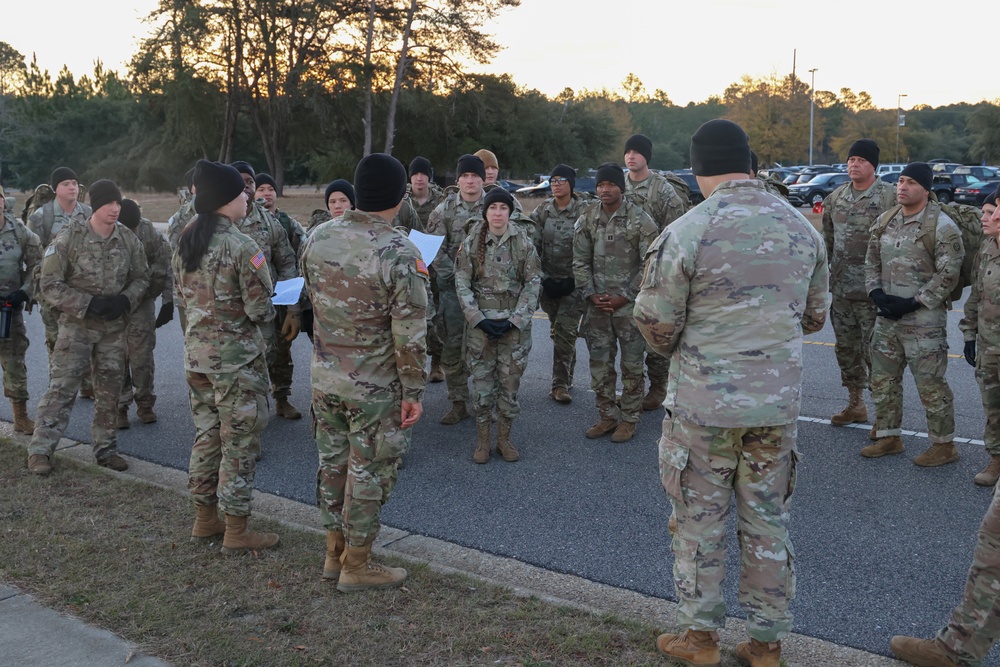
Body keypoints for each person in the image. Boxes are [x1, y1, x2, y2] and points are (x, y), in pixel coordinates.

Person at [635, 119, 828, 667]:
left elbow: (655, 323)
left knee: (699, 521)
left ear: (698, 169)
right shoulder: (801, 228)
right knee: (767, 520)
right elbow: (814, 316)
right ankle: (766, 644)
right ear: (750, 163)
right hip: (775, 405)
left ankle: (699, 641)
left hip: (703, 404)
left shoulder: (688, 230)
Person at [301, 153, 428, 591]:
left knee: (333, 465)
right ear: (400, 194)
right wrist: (414, 390)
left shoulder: (317, 237)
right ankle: (357, 563)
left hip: (325, 378)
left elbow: (313, 304)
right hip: (374, 387)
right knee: (369, 471)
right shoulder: (398, 251)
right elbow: (409, 335)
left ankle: (333, 553)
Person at [173, 160, 278, 553]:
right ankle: (236, 530)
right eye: (241, 193)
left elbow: (183, 298)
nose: (248, 197)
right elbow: (259, 311)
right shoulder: (241, 245)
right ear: (225, 200)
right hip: (236, 364)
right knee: (239, 444)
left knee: (206, 437)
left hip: (197, 359)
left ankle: (204, 519)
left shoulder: (185, 240)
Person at [26, 180, 150, 476]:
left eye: (118, 204)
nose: (115, 209)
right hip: (77, 326)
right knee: (63, 388)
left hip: (112, 328)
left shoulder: (128, 239)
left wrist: (125, 299)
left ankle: (106, 450)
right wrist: (86, 303)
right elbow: (49, 284)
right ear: (95, 205)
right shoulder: (70, 237)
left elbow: (142, 277)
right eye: (109, 203)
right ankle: (40, 450)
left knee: (108, 391)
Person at [863, 162, 963, 465]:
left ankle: (944, 445)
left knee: (931, 384)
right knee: (883, 379)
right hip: (888, 317)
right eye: (900, 181)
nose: (902, 187)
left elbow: (949, 273)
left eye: (911, 183)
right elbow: (870, 261)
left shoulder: (941, 226)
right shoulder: (885, 220)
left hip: (923, 321)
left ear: (926, 189)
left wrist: (914, 302)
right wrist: (875, 293)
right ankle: (889, 436)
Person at [573, 162, 658, 443]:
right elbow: (580, 261)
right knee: (600, 365)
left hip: (629, 307)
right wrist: (590, 294)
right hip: (597, 306)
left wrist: (626, 295)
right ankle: (607, 416)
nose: (605, 190)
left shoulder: (639, 219)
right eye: (600, 185)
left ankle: (630, 419)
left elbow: (650, 263)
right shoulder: (587, 218)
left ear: (620, 187)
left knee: (632, 366)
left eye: (610, 185)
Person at [455, 187, 540, 463]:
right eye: (493, 208)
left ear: (510, 212)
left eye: (503, 208)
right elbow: (462, 282)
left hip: (513, 330)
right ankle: (483, 441)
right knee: (482, 386)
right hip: (481, 329)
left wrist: (515, 321)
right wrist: (477, 319)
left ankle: (504, 439)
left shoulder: (523, 243)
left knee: (509, 386)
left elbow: (533, 283)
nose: (498, 212)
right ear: (486, 212)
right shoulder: (471, 242)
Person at [821, 139, 898, 429]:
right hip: (842, 292)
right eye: (851, 159)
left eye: (861, 160)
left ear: (873, 166)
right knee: (846, 350)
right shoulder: (836, 197)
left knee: (876, 354)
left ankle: (884, 416)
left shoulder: (890, 196)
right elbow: (827, 242)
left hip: (874, 292)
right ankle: (856, 404)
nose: (854, 164)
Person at [230, 161, 300, 421]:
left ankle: (281, 398)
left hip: (268, 308)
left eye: (250, 182)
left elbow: (286, 262)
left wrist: (292, 308)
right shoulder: (219, 223)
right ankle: (251, 417)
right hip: (233, 311)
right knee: (244, 366)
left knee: (278, 354)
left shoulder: (269, 222)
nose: (246, 187)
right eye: (240, 182)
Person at [622, 133, 688, 411]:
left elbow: (677, 228)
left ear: (647, 157)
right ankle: (632, 388)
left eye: (637, 152)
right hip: (622, 269)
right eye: (628, 152)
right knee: (627, 334)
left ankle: (659, 386)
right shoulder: (618, 184)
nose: (631, 156)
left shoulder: (661, 189)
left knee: (653, 332)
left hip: (654, 270)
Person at [426, 154, 488, 425]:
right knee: (452, 345)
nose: (470, 180)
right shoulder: (444, 209)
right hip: (452, 291)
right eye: (465, 176)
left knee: (487, 347)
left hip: (487, 293)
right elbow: (433, 248)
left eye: (475, 176)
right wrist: (455, 276)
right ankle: (458, 401)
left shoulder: (497, 205)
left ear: (483, 178)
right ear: (458, 179)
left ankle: (487, 401)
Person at [527, 163, 588, 404]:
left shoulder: (585, 209)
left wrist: (577, 279)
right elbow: (532, 245)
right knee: (558, 332)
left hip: (574, 284)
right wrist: (543, 279)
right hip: (549, 283)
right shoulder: (543, 211)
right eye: (552, 180)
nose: (556, 184)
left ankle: (559, 385)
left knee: (565, 331)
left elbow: (592, 246)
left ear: (571, 183)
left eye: (561, 180)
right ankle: (567, 373)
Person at [26, 167, 92, 367]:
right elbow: (33, 257)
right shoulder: (40, 217)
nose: (72, 187)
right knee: (56, 340)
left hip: (82, 287)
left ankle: (87, 385)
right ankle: (57, 383)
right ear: (56, 189)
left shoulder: (88, 213)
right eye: (66, 184)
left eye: (74, 183)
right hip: (52, 289)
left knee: (84, 338)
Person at [255, 173, 307, 420]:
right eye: (260, 189)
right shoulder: (241, 221)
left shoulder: (286, 223)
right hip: (253, 303)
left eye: (270, 188)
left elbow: (294, 262)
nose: (266, 193)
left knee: (282, 351)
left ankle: (282, 398)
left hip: (281, 297)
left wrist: (293, 306)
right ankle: (257, 404)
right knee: (257, 354)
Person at [116, 199, 173, 427]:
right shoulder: (105, 230)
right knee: (117, 355)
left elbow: (166, 263)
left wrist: (168, 301)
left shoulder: (149, 231)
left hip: (143, 301)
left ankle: (145, 403)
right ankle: (120, 406)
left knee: (142, 356)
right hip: (115, 303)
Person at [960, 194, 1000, 486]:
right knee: (993, 405)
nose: (985, 218)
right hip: (989, 345)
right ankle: (997, 458)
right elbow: (975, 294)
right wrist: (969, 334)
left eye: (990, 212)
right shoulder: (986, 247)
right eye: (984, 212)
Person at [0, 185, 43, 434]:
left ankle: (21, 417)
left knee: (15, 362)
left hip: (8, 309)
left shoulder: (18, 230)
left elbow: (38, 264)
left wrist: (25, 292)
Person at [407, 157, 446, 383]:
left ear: (429, 177)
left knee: (437, 317)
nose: (419, 178)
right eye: (415, 174)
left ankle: (437, 363)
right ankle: (416, 364)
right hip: (411, 267)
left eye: (423, 174)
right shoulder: (402, 201)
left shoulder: (441, 200)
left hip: (436, 265)